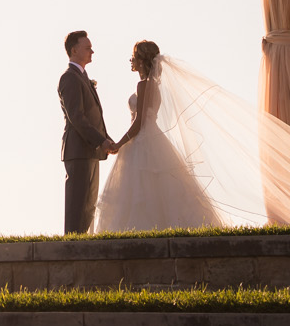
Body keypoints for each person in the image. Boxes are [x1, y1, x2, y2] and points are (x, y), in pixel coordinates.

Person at [95, 39, 224, 231]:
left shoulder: (143, 85)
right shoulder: (155, 85)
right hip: (154, 138)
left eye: (134, 56)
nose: (131, 60)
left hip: (141, 141)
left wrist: (118, 144)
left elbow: (139, 123)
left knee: (140, 191)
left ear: (142, 60)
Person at [58, 30, 115, 234]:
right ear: (74, 50)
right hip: (78, 151)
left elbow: (93, 115)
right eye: (87, 47)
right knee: (77, 209)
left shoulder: (82, 76)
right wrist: (101, 141)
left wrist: (105, 139)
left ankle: (81, 246)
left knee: (88, 209)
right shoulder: (69, 78)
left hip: (90, 151)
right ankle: (71, 249)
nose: (92, 51)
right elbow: (77, 117)